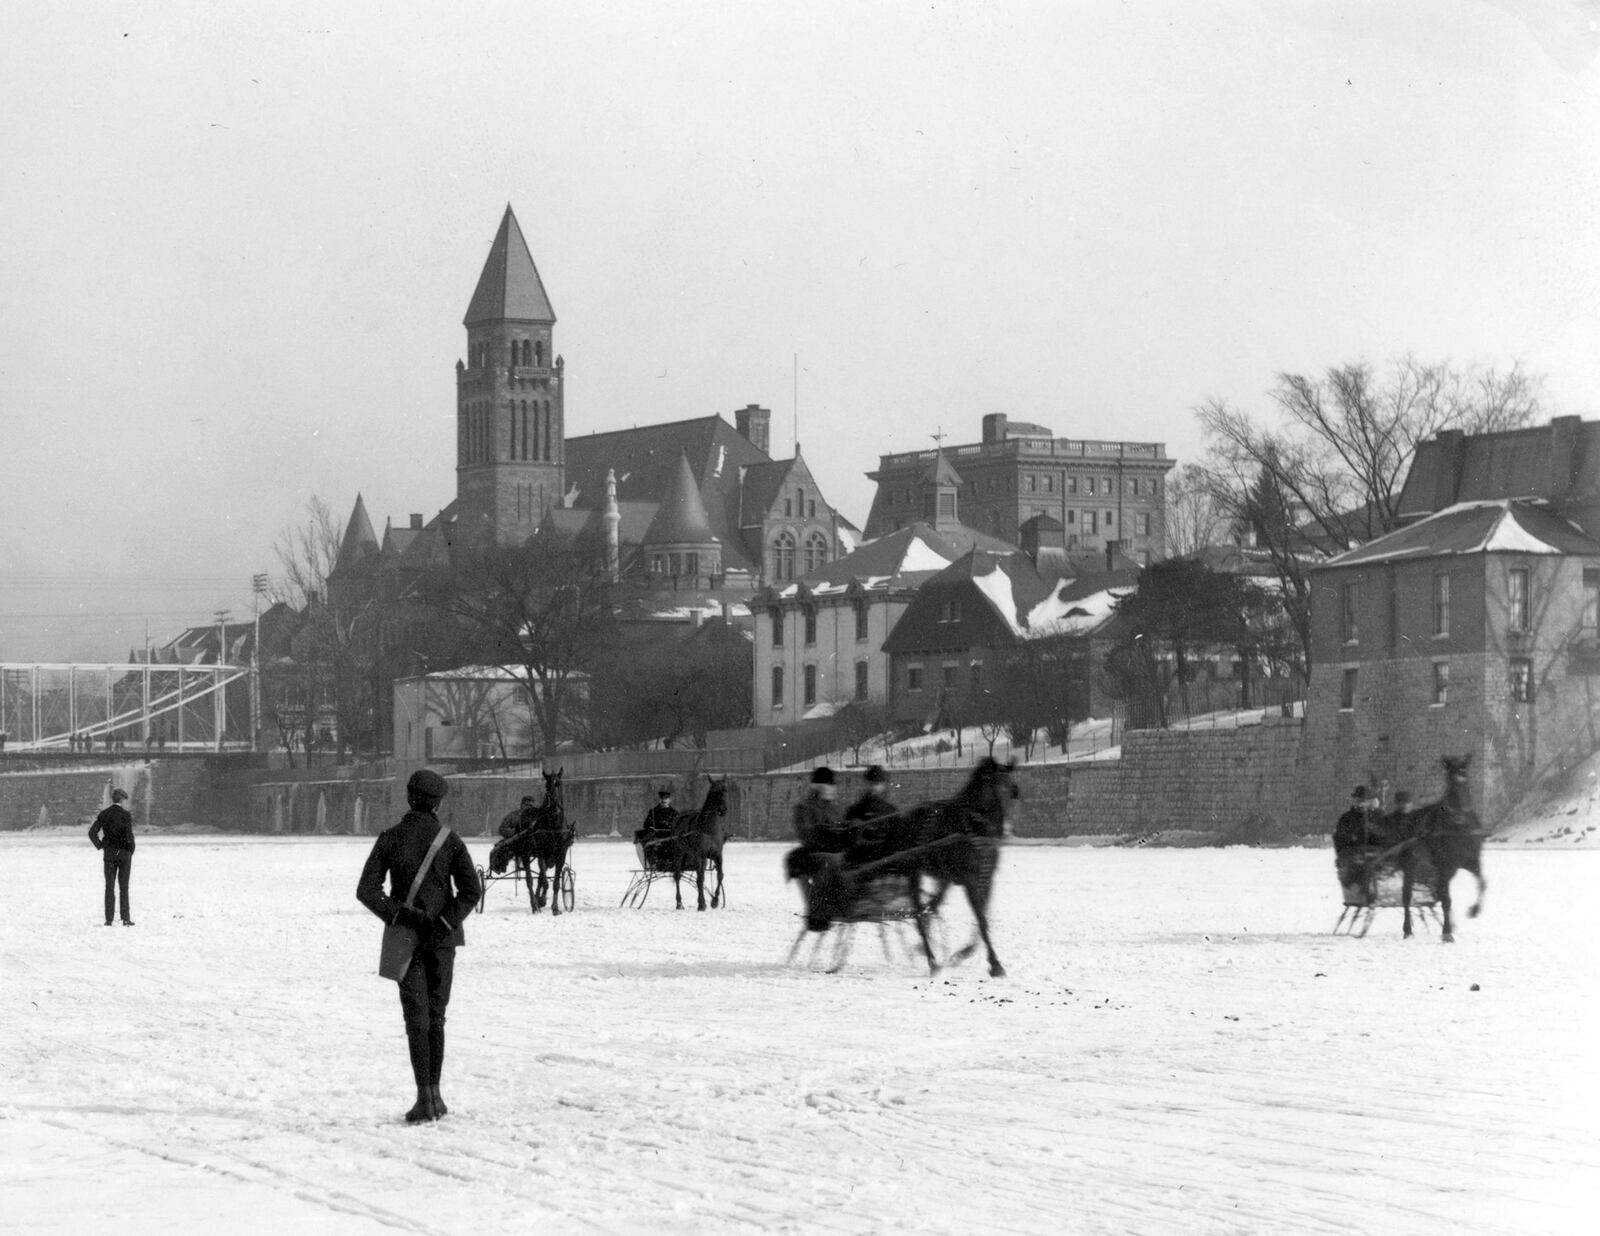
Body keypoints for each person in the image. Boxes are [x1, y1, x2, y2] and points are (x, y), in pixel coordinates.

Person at [357, 769, 482, 1124]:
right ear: (437, 802)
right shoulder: (451, 840)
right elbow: (472, 891)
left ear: (409, 797)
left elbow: (366, 891)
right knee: (437, 1017)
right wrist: (444, 921)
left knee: (416, 1019)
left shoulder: (390, 838)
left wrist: (399, 914)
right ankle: (436, 1096)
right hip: (443, 941)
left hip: (404, 938)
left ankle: (423, 1099)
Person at [89, 788, 136, 926]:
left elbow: (92, 832)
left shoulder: (104, 814)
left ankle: (109, 919)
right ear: (122, 799)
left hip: (109, 854)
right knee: (124, 886)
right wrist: (130, 850)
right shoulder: (125, 815)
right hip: (124, 854)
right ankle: (125, 918)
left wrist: (100, 845)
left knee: (109, 886)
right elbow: (129, 836)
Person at [842, 764, 898, 862]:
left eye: (877, 783)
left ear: (883, 785)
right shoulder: (854, 811)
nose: (874, 788)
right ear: (866, 784)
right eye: (871, 783)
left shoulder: (891, 811)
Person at [1333, 785, 1380, 895]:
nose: (1361, 804)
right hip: (1353, 854)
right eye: (1359, 800)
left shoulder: (1377, 816)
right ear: (1354, 801)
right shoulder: (1347, 818)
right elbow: (1340, 839)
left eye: (1364, 801)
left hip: (1376, 854)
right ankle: (1359, 888)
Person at [634, 787, 678, 868]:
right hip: (656, 836)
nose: (663, 801)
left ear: (669, 800)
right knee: (650, 845)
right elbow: (646, 825)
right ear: (659, 799)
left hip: (671, 836)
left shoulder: (674, 813)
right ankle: (653, 863)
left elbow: (679, 826)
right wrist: (652, 828)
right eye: (662, 799)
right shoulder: (653, 812)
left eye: (666, 799)